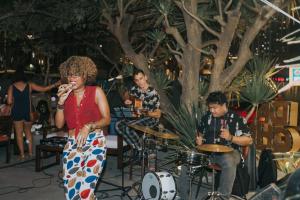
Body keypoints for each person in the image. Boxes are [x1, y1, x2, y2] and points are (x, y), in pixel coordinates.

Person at [55, 56, 110, 200]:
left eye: (77, 74)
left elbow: (107, 119)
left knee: (85, 192)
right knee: (72, 193)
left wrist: (89, 126)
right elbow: (59, 125)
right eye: (70, 74)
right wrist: (60, 103)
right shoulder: (65, 96)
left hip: (95, 143)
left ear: (85, 75)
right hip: (72, 144)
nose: (72, 77)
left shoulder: (96, 91)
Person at [195, 91, 252, 199]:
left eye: (215, 108)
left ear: (224, 105)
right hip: (209, 153)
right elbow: (200, 133)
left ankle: (222, 197)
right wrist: (199, 141)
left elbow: (248, 140)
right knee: (187, 157)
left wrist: (231, 137)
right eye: (210, 108)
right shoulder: (207, 117)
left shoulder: (236, 119)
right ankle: (182, 193)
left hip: (231, 153)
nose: (212, 110)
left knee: (228, 160)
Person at [7, 67, 60, 159]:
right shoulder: (29, 85)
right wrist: (55, 84)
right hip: (28, 111)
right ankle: (31, 153)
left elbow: (9, 101)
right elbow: (44, 89)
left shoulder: (11, 87)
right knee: (28, 132)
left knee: (19, 134)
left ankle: (22, 155)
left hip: (16, 111)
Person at [115, 69, 161, 155]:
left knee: (129, 127)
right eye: (137, 80)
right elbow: (131, 102)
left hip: (150, 119)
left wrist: (144, 112)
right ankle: (139, 148)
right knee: (118, 125)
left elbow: (158, 115)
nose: (140, 82)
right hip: (136, 117)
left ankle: (139, 151)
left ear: (145, 77)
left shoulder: (153, 93)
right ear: (134, 81)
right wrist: (127, 102)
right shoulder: (134, 89)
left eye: (141, 78)